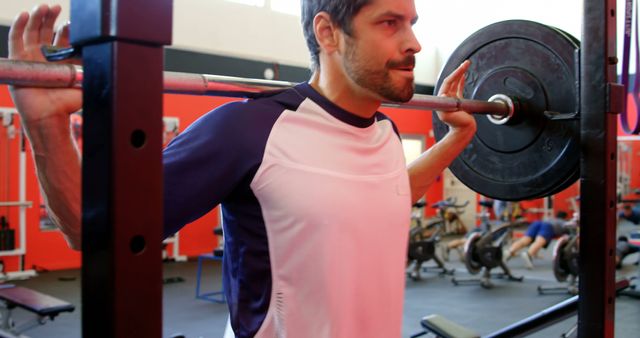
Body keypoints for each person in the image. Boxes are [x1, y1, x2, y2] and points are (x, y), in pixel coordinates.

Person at [8, 1, 476, 337]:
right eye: (390, 23)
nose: (414, 42)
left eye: (412, 23)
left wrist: (456, 137)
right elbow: (93, 232)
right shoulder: (249, 129)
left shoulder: (385, 133)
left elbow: (389, 190)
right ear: (328, 33)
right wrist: (47, 124)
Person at [504, 211, 570, 269]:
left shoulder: (550, 218)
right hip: (548, 226)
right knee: (540, 241)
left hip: (537, 223)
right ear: (565, 217)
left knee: (526, 239)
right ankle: (529, 254)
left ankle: (510, 251)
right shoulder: (564, 222)